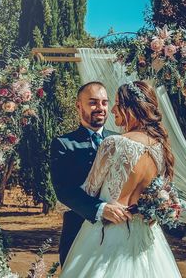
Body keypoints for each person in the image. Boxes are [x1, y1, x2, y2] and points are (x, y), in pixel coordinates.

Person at [58, 80, 182, 277]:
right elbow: (157, 192)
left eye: (116, 102)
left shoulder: (114, 143)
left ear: (131, 108)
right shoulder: (160, 147)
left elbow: (89, 191)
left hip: (107, 235)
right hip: (145, 236)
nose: (112, 109)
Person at [50, 81, 132, 268]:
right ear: (79, 105)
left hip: (118, 232)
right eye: (93, 102)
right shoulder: (63, 144)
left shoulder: (122, 140)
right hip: (78, 230)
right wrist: (102, 209)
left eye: (104, 102)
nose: (101, 108)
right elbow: (64, 191)